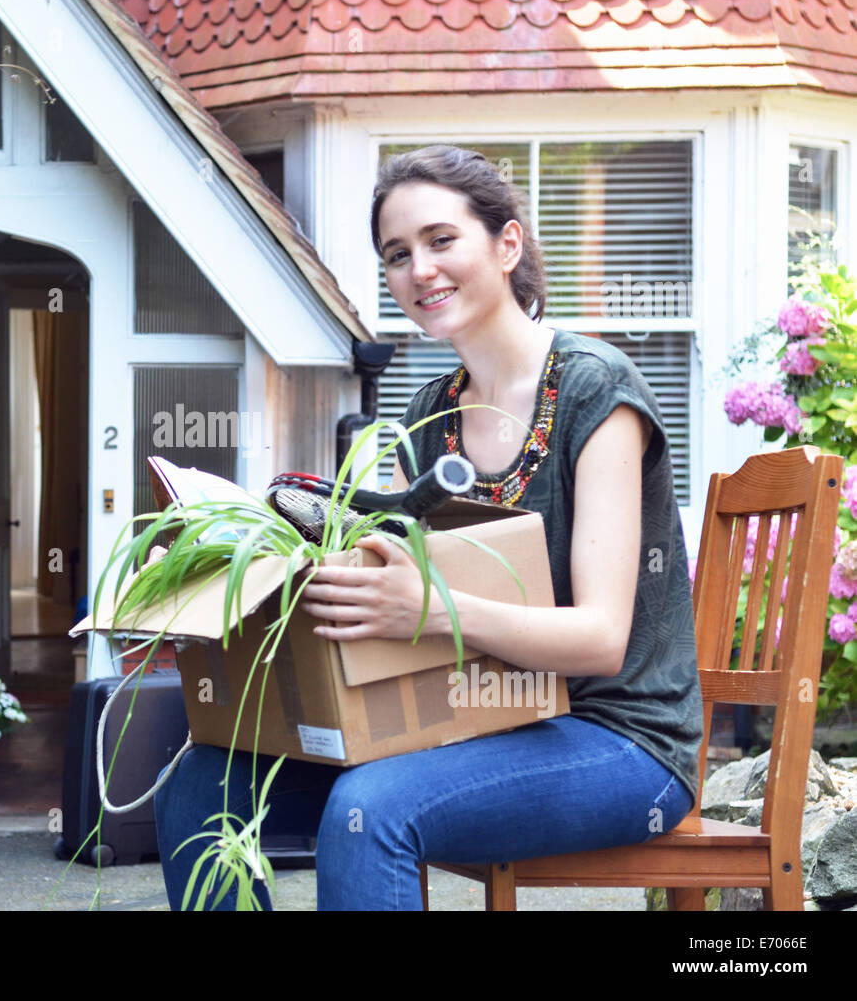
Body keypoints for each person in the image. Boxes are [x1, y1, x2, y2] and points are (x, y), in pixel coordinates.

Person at [152, 144, 704, 911]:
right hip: (482, 712)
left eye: (442, 241)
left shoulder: (596, 390)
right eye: (398, 255)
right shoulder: (429, 414)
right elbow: (390, 582)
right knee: (199, 791)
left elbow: (601, 636)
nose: (420, 270)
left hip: (618, 741)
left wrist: (432, 610)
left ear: (507, 244)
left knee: (372, 808)